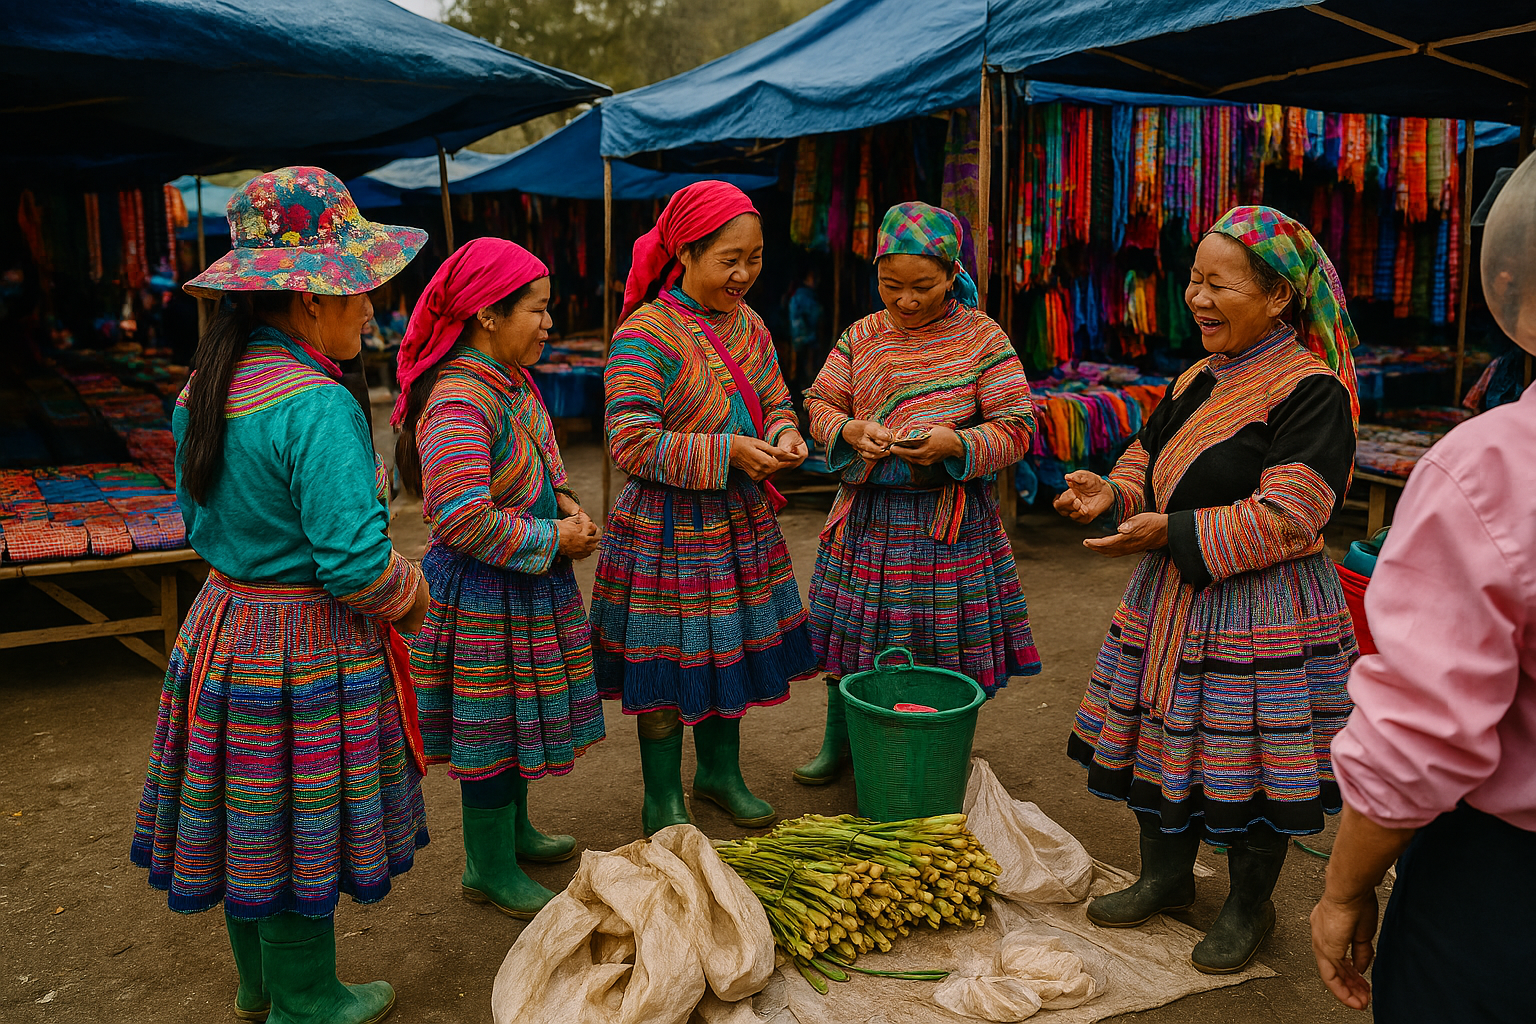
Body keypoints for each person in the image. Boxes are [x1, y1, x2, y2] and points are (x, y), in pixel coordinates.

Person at [130, 167, 430, 1024]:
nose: (371, 309)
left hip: (223, 626)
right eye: (360, 292)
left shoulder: (204, 389)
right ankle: (306, 997)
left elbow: (196, 518)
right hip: (305, 644)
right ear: (307, 300)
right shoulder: (318, 404)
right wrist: (416, 603)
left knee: (250, 817)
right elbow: (357, 565)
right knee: (302, 815)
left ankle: (258, 985)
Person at [1055, 205, 1359, 974]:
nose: (1196, 298)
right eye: (1193, 280)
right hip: (1172, 600)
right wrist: (1113, 493)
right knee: (1163, 737)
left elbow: (1293, 515)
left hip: (1263, 612)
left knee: (1252, 760)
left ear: (1278, 297)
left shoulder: (1311, 391)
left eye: (1218, 284)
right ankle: (1164, 879)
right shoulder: (1198, 377)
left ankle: (1247, 907)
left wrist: (1171, 532)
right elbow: (1146, 454)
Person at [1310, 156, 1536, 1021]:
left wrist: (1343, 891)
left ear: (1511, 282)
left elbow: (1423, 736)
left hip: (1506, 889)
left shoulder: (1495, 465)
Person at [590, 180, 815, 836]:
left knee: (730, 648)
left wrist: (784, 434)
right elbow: (630, 442)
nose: (744, 273)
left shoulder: (751, 327)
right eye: (729, 259)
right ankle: (661, 795)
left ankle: (720, 773)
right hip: (663, 529)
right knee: (664, 660)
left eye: (756, 257)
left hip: (737, 523)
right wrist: (726, 454)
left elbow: (775, 396)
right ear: (685, 252)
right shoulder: (644, 335)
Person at [392, 237, 604, 920]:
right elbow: (459, 516)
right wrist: (554, 538)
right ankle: (486, 867)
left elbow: (537, 462)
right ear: (487, 314)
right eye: (537, 310)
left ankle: (513, 832)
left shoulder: (510, 382)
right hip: (482, 594)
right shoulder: (459, 398)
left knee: (509, 720)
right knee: (487, 729)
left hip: (523, 583)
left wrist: (565, 501)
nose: (548, 323)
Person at [796, 201, 1042, 785]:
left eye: (923, 286)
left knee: (937, 638)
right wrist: (848, 430)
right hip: (870, 520)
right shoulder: (861, 336)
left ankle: (930, 745)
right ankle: (843, 741)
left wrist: (954, 445)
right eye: (890, 285)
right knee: (856, 634)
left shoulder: (984, 339)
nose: (905, 301)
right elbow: (819, 403)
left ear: (952, 272)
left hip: (949, 527)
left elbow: (1018, 426)